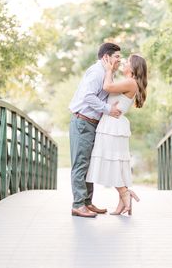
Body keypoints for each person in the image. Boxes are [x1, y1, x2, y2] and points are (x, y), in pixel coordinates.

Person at [86, 54, 148, 215]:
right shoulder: (129, 82)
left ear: (134, 68)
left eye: (127, 62)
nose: (123, 63)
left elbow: (107, 87)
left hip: (112, 126)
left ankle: (125, 193)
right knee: (115, 163)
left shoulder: (130, 82)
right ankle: (123, 199)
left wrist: (107, 69)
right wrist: (110, 70)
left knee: (111, 162)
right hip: (112, 124)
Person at [69, 43, 122, 218]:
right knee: (80, 164)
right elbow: (88, 96)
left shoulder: (107, 73)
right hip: (83, 122)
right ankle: (78, 205)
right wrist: (108, 109)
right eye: (117, 57)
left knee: (88, 164)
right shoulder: (97, 72)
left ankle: (87, 202)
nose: (119, 60)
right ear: (106, 57)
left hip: (92, 124)